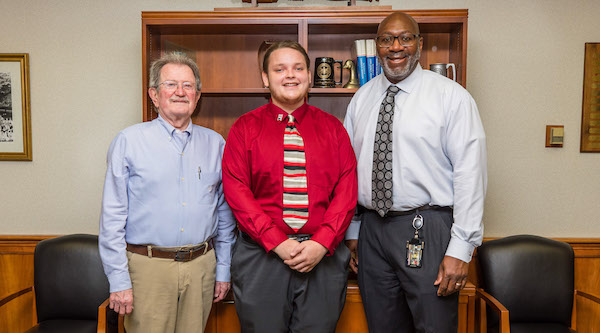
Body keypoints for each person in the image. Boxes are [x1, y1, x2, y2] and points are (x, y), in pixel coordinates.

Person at [343, 12, 487, 332]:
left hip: (429, 228)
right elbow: (349, 171)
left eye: (405, 38)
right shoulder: (361, 99)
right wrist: (353, 232)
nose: (396, 46)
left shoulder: (452, 98)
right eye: (386, 39)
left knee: (433, 325)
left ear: (419, 44)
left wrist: (461, 248)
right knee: (383, 326)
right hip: (372, 230)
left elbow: (470, 175)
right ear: (377, 46)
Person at [222, 40, 357, 333]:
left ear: (309, 76)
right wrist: (277, 242)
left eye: (298, 68)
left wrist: (322, 242)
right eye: (280, 69)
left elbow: (346, 191)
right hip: (261, 256)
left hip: (323, 257)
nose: (290, 75)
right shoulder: (244, 129)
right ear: (265, 78)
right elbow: (236, 191)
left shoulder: (334, 129)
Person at [98, 52, 236, 333]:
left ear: (197, 96)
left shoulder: (216, 144)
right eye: (171, 84)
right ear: (154, 94)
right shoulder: (129, 141)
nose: (180, 92)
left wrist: (223, 270)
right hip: (148, 268)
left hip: (201, 267)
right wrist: (118, 280)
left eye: (188, 86)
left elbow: (224, 214)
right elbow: (112, 217)